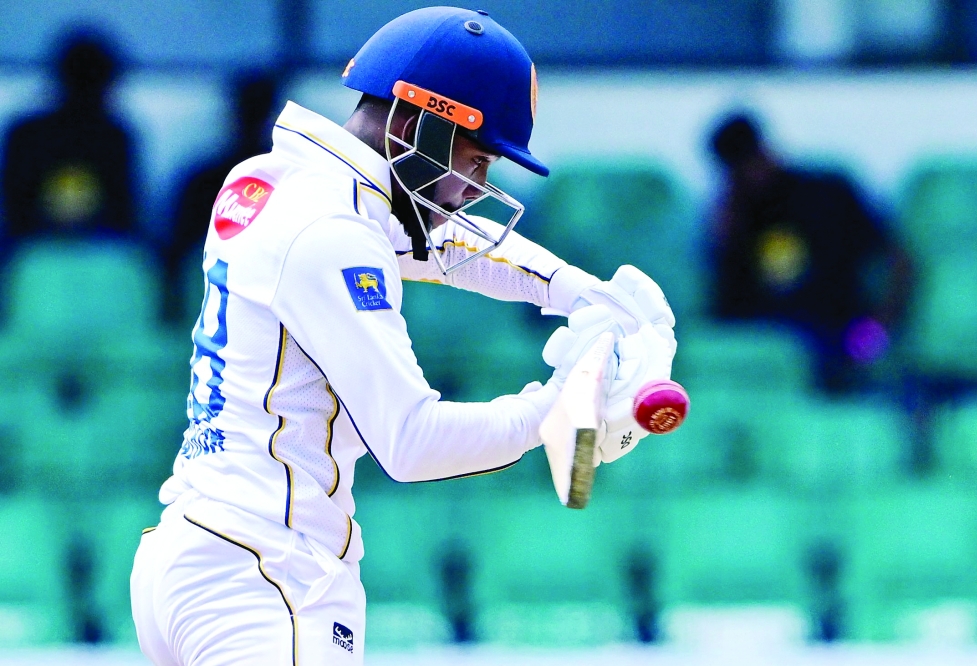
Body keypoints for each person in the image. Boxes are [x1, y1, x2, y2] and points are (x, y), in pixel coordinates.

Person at [130, 7, 677, 665]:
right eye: (476, 161)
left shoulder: (279, 181)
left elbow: (441, 246)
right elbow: (412, 442)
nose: (477, 189)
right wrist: (557, 403)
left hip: (199, 550)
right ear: (415, 127)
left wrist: (581, 292)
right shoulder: (331, 233)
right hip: (267, 576)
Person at [706, 111, 911, 392]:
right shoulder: (738, 217)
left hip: (837, 341)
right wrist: (725, 237)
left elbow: (898, 261)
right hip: (768, 352)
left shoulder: (828, 192)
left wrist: (876, 331)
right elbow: (726, 311)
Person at [1, 29, 137, 245]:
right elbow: (125, 218)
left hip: (34, 252)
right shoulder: (114, 139)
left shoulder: (26, 135)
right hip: (94, 254)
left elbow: (14, 214)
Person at [164, 72, 279, 322]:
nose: (254, 121)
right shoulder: (203, 182)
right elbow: (176, 252)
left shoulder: (294, 182)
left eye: (259, 113)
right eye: (248, 111)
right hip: (208, 302)